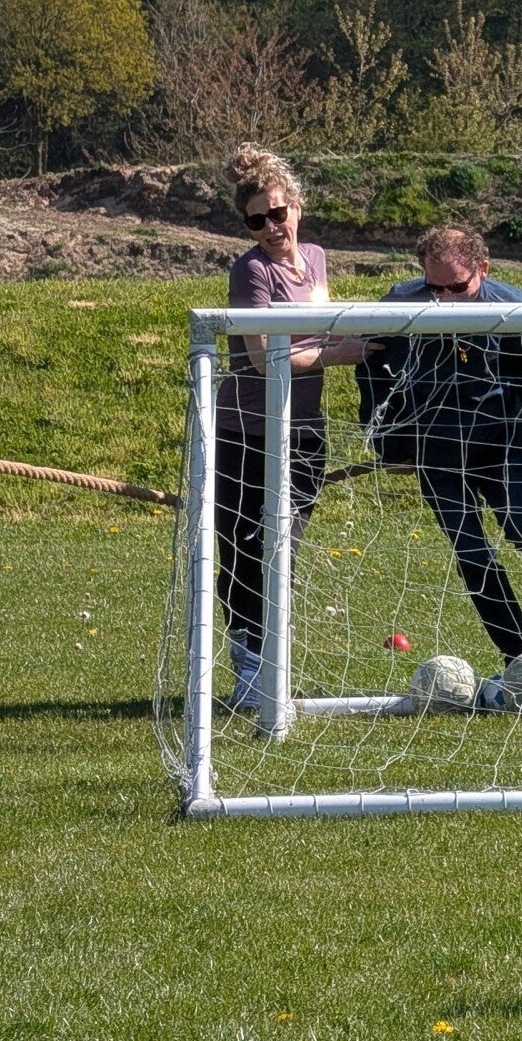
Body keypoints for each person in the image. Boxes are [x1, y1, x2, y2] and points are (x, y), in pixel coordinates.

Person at [358, 225, 522, 691]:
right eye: (434, 288)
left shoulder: (509, 300)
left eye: (457, 287)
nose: (444, 301)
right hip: (434, 448)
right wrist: (387, 444)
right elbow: (374, 372)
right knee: (472, 553)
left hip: (502, 440)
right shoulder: (400, 301)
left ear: (484, 269)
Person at [213, 145, 369, 713]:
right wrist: (341, 354)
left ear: (297, 208)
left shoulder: (318, 259)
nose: (272, 227)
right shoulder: (250, 269)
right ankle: (248, 667)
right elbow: (262, 359)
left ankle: (270, 660)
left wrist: (351, 348)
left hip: (303, 429)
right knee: (243, 547)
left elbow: (319, 335)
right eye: (258, 220)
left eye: (278, 213)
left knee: (285, 547)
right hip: (246, 428)